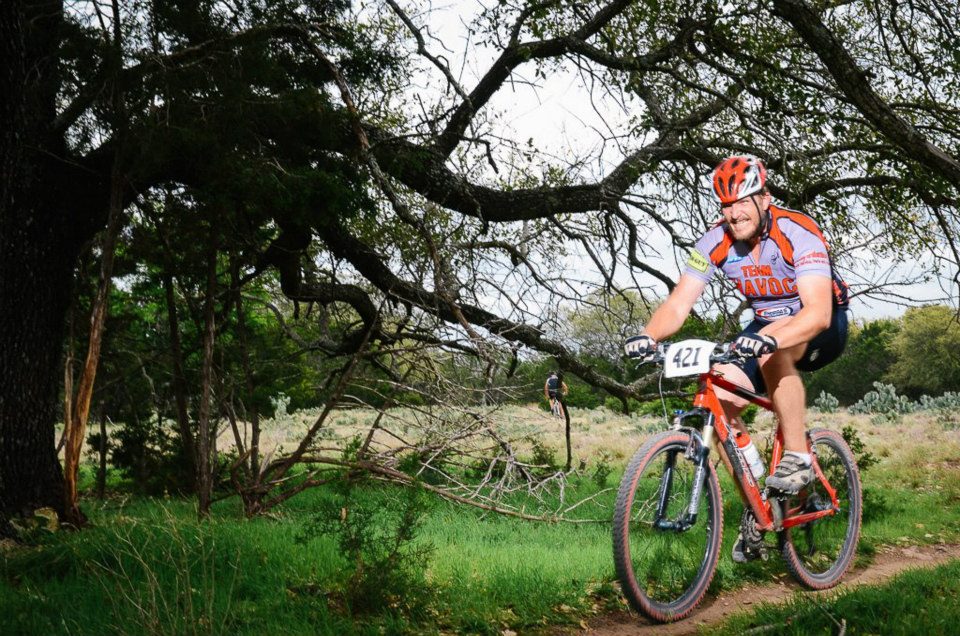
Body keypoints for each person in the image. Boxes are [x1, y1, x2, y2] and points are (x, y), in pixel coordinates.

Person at [624, 155, 849, 560]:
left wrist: (771, 338)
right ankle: (758, 506)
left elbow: (817, 312)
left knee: (771, 352)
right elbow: (678, 304)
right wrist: (647, 335)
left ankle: (798, 457)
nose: (734, 213)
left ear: (765, 198)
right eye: (726, 205)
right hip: (764, 324)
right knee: (720, 400)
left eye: (743, 201)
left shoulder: (798, 231)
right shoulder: (713, 241)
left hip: (821, 323)